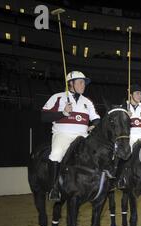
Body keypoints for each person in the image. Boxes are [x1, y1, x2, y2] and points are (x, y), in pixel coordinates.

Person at [42, 71, 100, 201]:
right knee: (56, 154)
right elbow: (44, 116)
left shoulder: (87, 101)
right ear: (70, 84)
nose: (83, 85)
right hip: (63, 134)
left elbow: (96, 119)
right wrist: (62, 113)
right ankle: (54, 188)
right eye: (80, 82)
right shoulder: (58, 97)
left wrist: (94, 126)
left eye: (84, 82)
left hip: (83, 136)